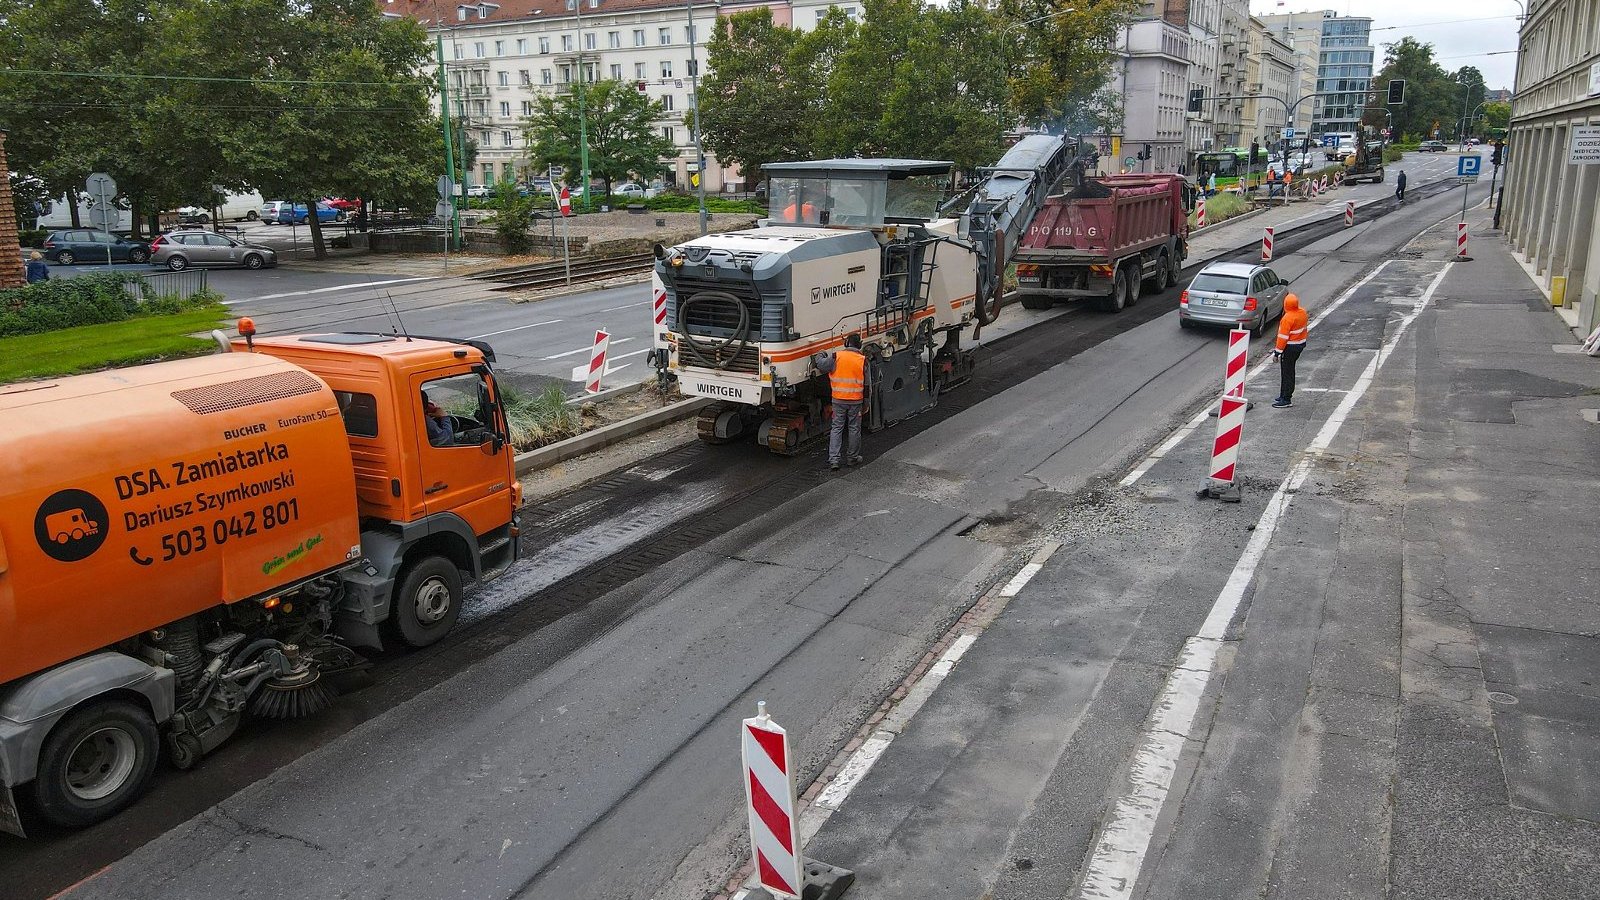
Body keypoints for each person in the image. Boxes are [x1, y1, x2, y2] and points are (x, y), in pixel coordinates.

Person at [813, 333, 867, 470]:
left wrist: (820, 353)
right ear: (859, 345)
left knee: (837, 428)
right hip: (856, 401)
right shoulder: (863, 360)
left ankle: (834, 460)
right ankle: (852, 458)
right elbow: (867, 385)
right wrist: (866, 403)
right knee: (854, 428)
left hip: (838, 400)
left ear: (846, 344)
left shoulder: (837, 356)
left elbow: (820, 364)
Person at [1272, 294, 1309, 408]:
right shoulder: (1302, 312)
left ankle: (1286, 398)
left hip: (1289, 348)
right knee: (1289, 370)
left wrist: (1277, 352)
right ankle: (1283, 395)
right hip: (1299, 345)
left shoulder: (1287, 318)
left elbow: (1282, 338)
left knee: (1287, 372)